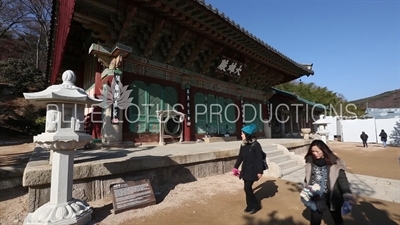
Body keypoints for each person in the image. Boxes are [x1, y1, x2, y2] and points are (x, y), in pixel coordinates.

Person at [301, 140, 356, 225]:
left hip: (333, 194)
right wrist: (307, 189)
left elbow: (343, 181)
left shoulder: (335, 163)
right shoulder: (310, 162)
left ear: (323, 150)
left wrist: (348, 196)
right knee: (315, 220)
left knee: (337, 219)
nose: (315, 154)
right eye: (313, 151)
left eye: (317, 151)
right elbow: (308, 178)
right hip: (316, 196)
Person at [232, 124, 263, 214]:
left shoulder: (256, 145)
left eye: (242, 133)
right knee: (247, 188)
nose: (241, 135)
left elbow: (259, 159)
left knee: (247, 188)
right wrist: (235, 167)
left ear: (247, 134)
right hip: (245, 169)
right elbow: (240, 156)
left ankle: (255, 205)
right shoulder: (243, 144)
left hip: (253, 170)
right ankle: (249, 206)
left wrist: (260, 171)